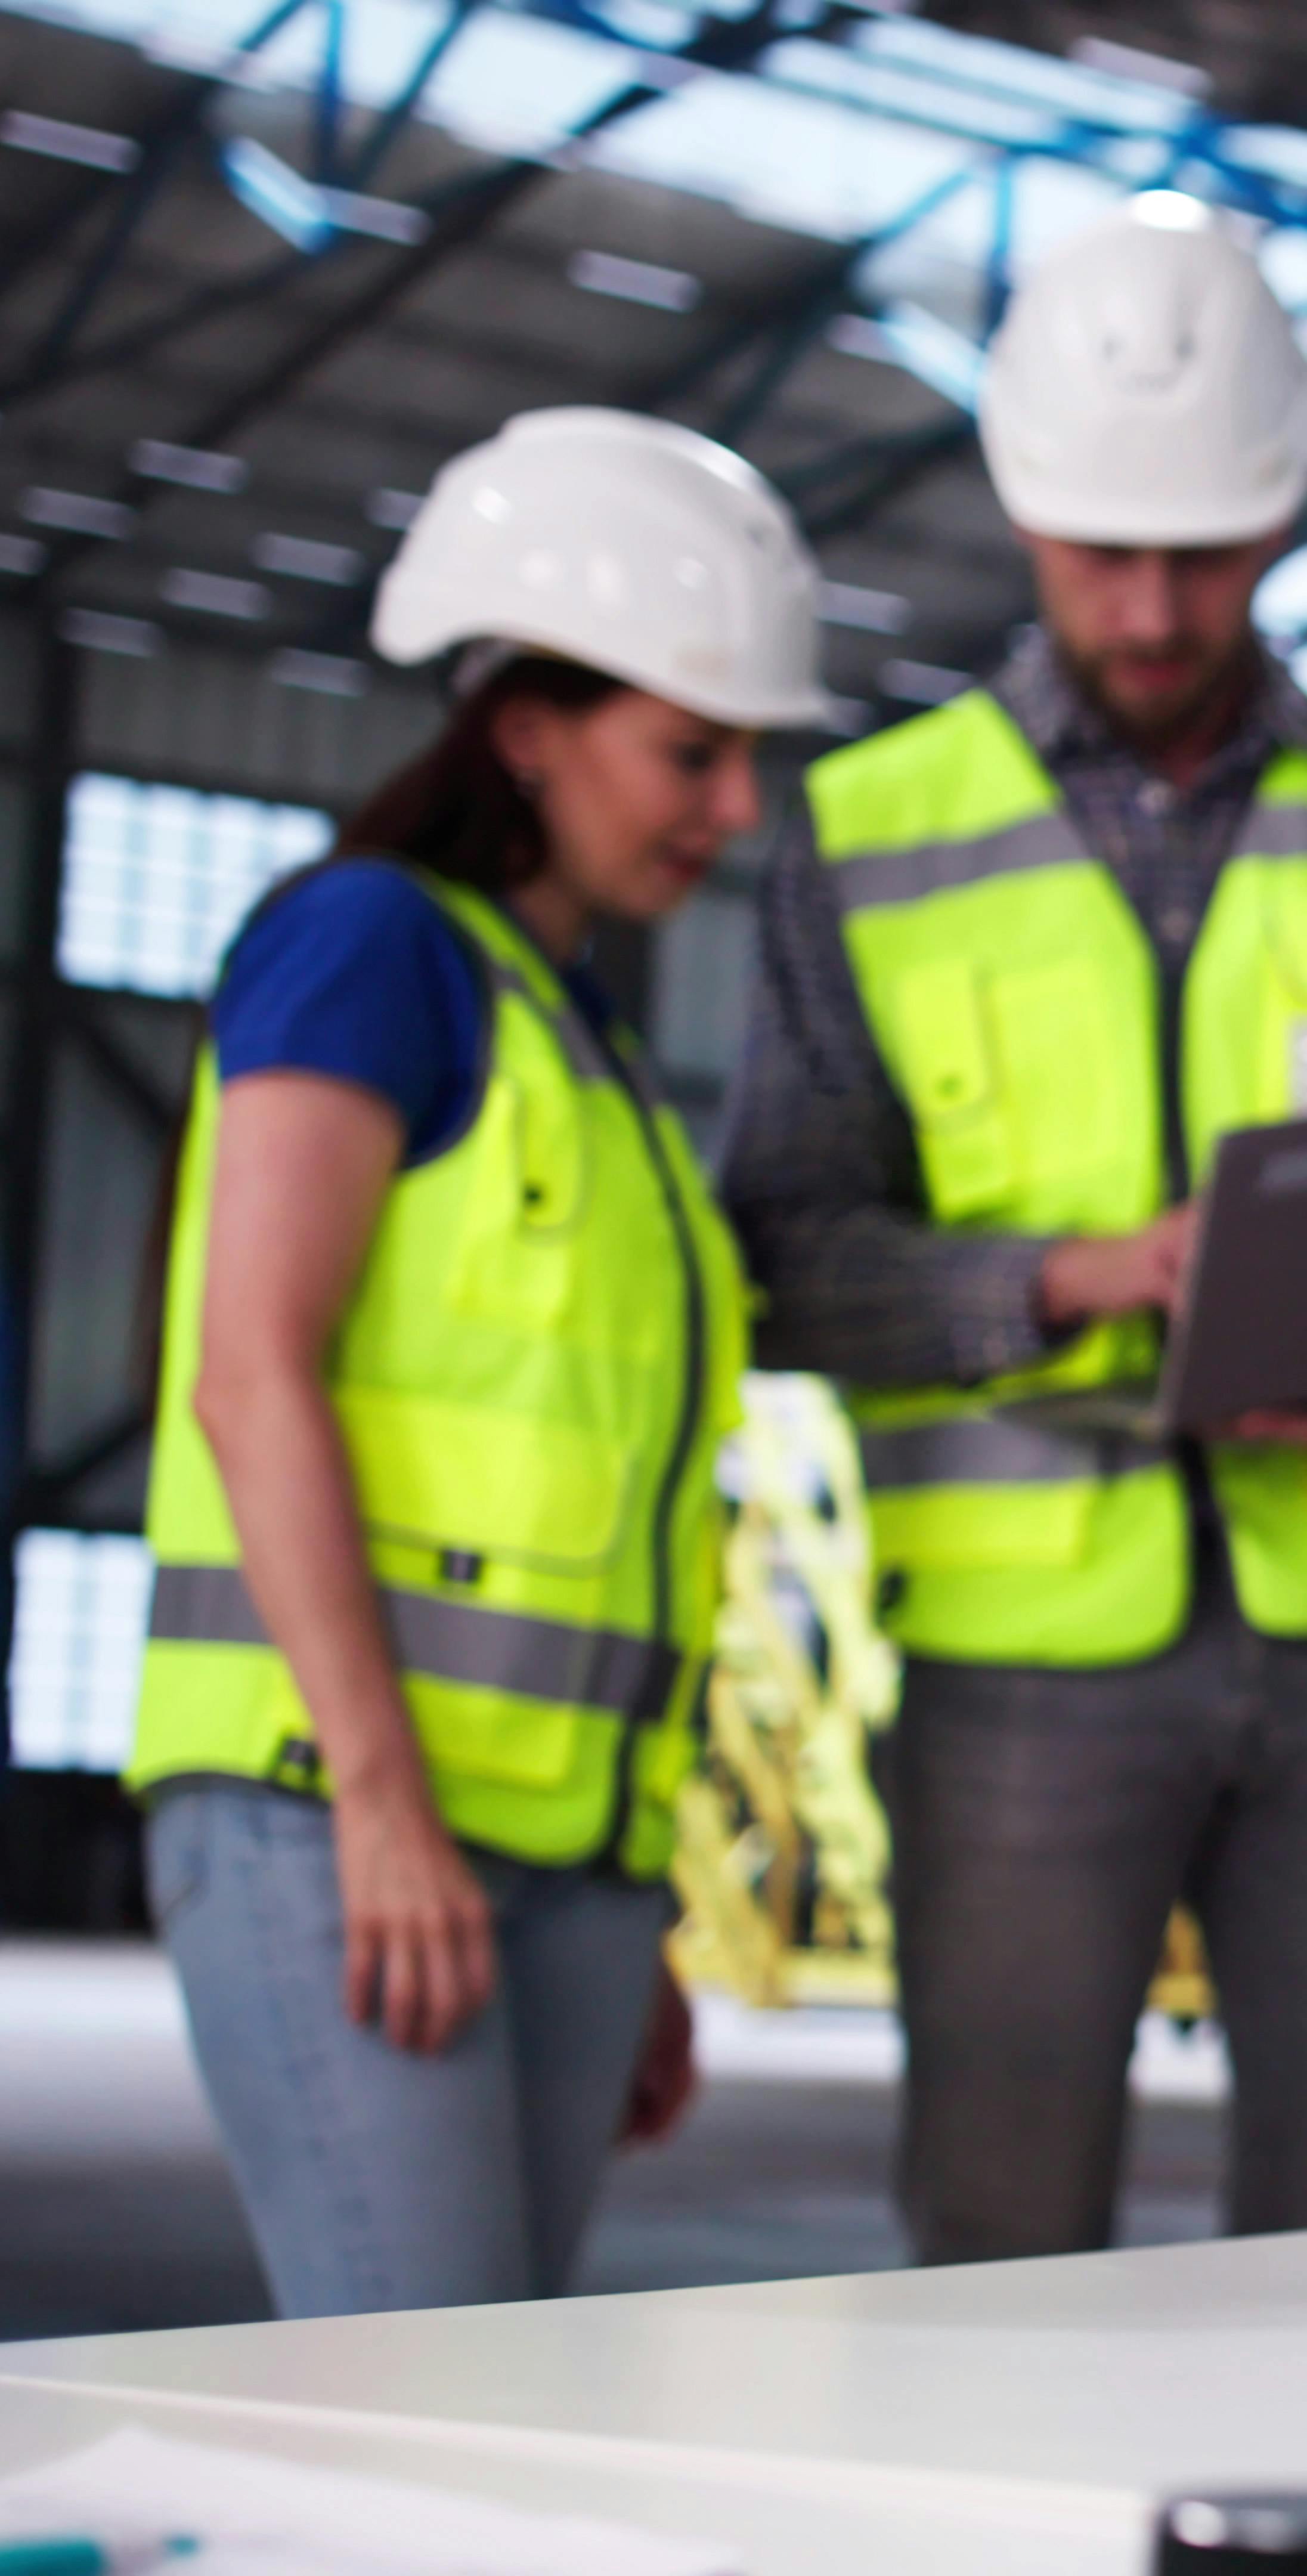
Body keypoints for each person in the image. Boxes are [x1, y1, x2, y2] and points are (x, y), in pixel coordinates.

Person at [723, 190, 1307, 2263]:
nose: (1149, 602)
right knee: (1000, 2250)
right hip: (1027, 1662)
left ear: (1283, 519)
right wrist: (1077, 1278)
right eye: (1106, 548)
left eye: (1200, 550)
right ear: (1025, 515)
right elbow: (792, 1256)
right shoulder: (871, 832)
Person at [130, 407, 822, 2317]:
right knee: (414, 2416)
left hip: (558, 1868)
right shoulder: (367, 950)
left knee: (496, 2420)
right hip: (336, 1818)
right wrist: (378, 1804)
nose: (736, 807)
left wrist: (631, 1906)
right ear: (528, 727)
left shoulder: (576, 1040)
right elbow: (247, 1373)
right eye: (692, 752)